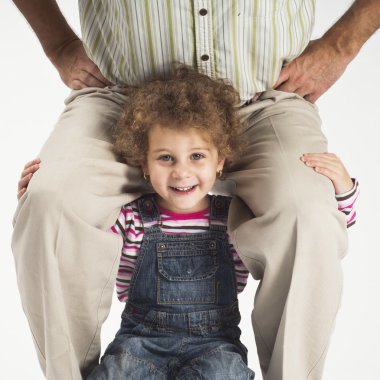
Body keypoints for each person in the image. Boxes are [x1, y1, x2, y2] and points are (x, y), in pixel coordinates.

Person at [10, 0, 378, 379]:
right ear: (143, 162)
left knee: (310, 214)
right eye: (167, 163)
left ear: (220, 160)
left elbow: (335, 218)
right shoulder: (136, 221)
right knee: (48, 202)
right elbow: (81, 227)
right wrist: (59, 45)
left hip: (264, 98)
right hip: (123, 95)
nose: (183, 173)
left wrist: (341, 45)